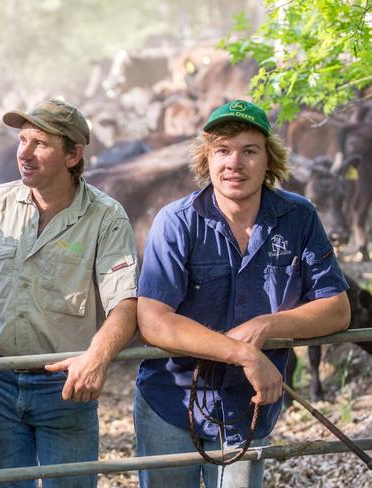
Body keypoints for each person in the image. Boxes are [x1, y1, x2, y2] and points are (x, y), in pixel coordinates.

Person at [134, 99, 350, 488]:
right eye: (222, 151)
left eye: (249, 151)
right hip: (171, 399)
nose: (235, 163)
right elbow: (153, 320)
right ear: (207, 159)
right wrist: (243, 352)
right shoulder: (176, 222)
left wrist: (265, 325)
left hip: (247, 408)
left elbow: (336, 309)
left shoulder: (298, 218)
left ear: (270, 159)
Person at [0, 98, 138, 487]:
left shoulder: (105, 217)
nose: (24, 153)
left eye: (40, 144)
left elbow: (124, 304)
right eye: (22, 140)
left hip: (64, 386)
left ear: (73, 154)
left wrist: (96, 358)